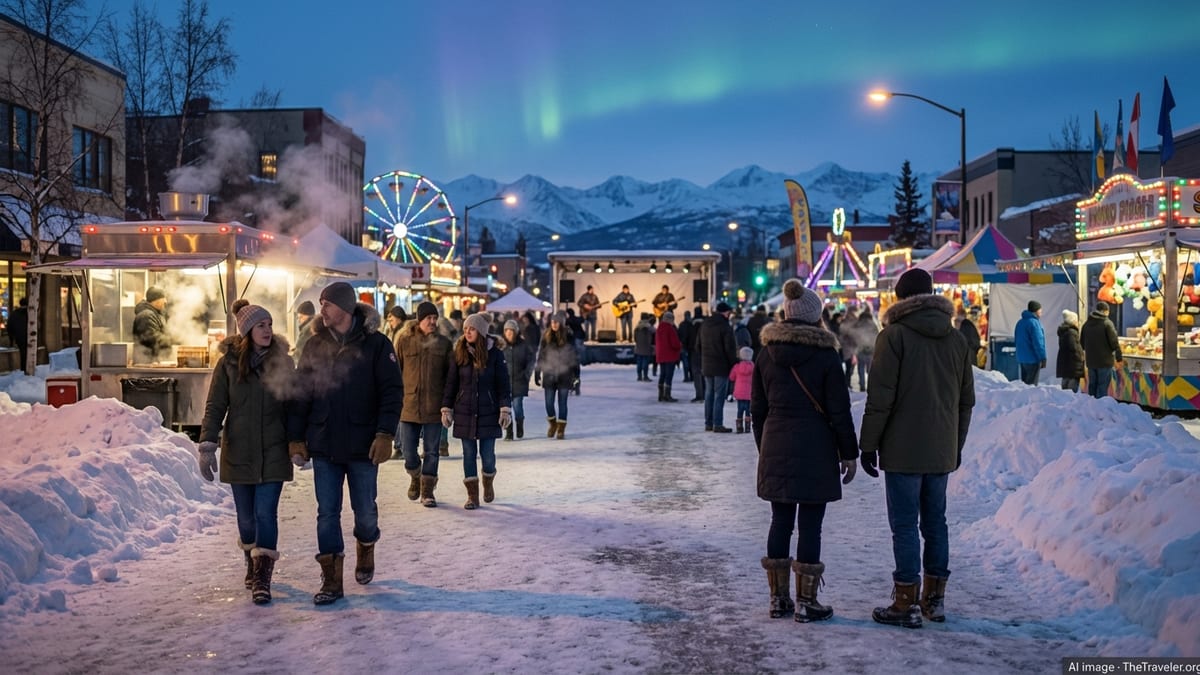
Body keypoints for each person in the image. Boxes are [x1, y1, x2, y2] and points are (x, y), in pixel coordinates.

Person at [859, 268, 975, 628]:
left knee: (906, 525)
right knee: (936, 523)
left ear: (899, 298)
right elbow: (965, 401)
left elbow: (881, 398)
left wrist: (868, 445)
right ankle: (934, 601)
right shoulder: (956, 340)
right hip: (940, 448)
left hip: (902, 449)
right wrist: (955, 444)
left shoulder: (893, 336)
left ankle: (905, 603)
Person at [289, 281, 403, 606]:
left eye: (327, 304)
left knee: (365, 511)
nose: (321, 309)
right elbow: (302, 394)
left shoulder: (377, 344)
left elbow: (392, 391)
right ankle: (331, 580)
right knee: (327, 513)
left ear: (345, 307)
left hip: (363, 443)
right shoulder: (314, 345)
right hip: (324, 442)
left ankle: (366, 548)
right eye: (321, 303)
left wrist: (385, 433)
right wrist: (296, 437)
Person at [753, 279, 859, 622]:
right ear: (817, 317)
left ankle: (778, 599)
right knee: (811, 526)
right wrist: (849, 452)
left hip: (776, 442)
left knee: (780, 520)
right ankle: (806, 601)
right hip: (817, 446)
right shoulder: (826, 356)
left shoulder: (765, 353)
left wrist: (765, 445)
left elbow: (757, 409)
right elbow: (839, 409)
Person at [197, 299, 297, 605]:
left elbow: (294, 407)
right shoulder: (228, 363)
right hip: (238, 449)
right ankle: (252, 565)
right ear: (247, 331)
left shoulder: (283, 362)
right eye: (260, 325)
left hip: (274, 450)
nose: (267, 330)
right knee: (246, 518)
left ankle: (262, 578)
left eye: (269, 324)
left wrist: (298, 443)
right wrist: (207, 445)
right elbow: (216, 405)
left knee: (265, 513)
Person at [440, 312, 512, 510]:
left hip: (489, 411)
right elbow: (451, 383)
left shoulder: (495, 355)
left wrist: (505, 409)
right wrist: (447, 408)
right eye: (465, 329)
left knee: (487, 456)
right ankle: (472, 496)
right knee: (468, 454)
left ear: (480, 331)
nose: (467, 332)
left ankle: (488, 482)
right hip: (465, 411)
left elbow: (503, 385)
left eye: (471, 329)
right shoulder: (460, 352)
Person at [394, 301, 453, 507]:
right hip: (409, 404)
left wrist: (447, 404)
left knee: (432, 451)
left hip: (434, 406)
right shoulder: (404, 340)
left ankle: (427, 490)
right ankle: (415, 475)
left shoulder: (444, 344)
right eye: (429, 318)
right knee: (408, 451)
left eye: (435, 318)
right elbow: (396, 372)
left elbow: (449, 377)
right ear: (419, 320)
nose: (433, 321)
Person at [534, 311, 579, 440]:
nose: (554, 324)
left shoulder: (569, 336)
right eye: (552, 322)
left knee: (562, 403)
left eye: (556, 322)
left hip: (565, 374)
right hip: (549, 374)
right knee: (549, 403)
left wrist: (576, 375)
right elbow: (541, 355)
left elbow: (574, 356)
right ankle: (553, 424)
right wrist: (537, 372)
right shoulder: (546, 336)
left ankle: (561, 429)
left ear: (561, 323)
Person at [697, 301, 738, 433]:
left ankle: (708, 423)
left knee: (708, 394)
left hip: (707, 365)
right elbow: (730, 348)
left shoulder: (705, 324)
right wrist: (734, 363)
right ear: (725, 313)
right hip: (721, 366)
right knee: (719, 395)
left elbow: (697, 345)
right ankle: (717, 423)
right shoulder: (725, 326)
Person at [1079, 301, 1123, 399]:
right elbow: (1114, 342)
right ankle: (1100, 410)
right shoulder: (1107, 323)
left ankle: (1091, 407)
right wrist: (1119, 357)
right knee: (1102, 387)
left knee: (1092, 386)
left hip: (1091, 362)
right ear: (1105, 311)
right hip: (1104, 361)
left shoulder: (1086, 324)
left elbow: (1081, 343)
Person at [502, 319, 535, 440]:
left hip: (519, 381)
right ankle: (509, 432)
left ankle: (519, 424)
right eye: (507, 331)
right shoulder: (502, 346)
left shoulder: (523, 345)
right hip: (504, 382)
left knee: (517, 406)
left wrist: (527, 374)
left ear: (516, 332)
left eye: (511, 331)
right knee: (506, 408)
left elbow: (531, 360)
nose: (509, 334)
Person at [132, 286, 171, 362]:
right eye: (164, 298)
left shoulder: (156, 314)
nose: (165, 301)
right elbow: (151, 338)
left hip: (153, 361)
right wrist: (173, 339)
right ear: (157, 300)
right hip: (146, 363)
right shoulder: (146, 316)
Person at [1014, 300, 1046, 386]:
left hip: (1022, 358)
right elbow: (1038, 342)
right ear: (1036, 311)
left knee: (1025, 385)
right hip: (1032, 359)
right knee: (1031, 386)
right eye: (1040, 311)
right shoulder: (1034, 323)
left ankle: (1023, 399)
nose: (1041, 313)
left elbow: (1016, 340)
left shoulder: (1020, 322)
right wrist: (1042, 357)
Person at [851, 306, 880, 392]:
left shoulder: (858, 325)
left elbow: (854, 337)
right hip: (871, 350)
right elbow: (877, 336)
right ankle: (871, 385)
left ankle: (862, 386)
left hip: (860, 350)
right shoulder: (873, 324)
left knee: (861, 369)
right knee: (870, 370)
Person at [655, 310, 682, 402]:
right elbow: (675, 344)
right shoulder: (670, 328)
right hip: (670, 356)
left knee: (662, 374)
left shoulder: (659, 328)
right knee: (669, 376)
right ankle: (667, 395)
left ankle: (660, 395)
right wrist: (680, 345)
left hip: (661, 355)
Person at [1056, 309, 1085, 393]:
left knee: (1066, 384)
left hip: (1066, 363)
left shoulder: (1064, 331)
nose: (1078, 322)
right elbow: (1074, 348)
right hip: (1073, 364)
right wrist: (1081, 357)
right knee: (1071, 390)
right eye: (1076, 320)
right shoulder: (1071, 332)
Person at [728, 346, 754, 433]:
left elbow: (731, 377)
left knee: (740, 409)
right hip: (749, 392)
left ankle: (739, 427)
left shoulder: (737, 367)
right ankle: (747, 427)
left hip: (739, 392)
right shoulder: (753, 367)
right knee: (748, 410)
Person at [688, 308, 706, 402]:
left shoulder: (691, 326)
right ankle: (705, 393)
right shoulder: (706, 326)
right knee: (704, 374)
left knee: (696, 374)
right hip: (705, 352)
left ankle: (699, 394)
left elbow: (688, 339)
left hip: (694, 352)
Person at [633, 313, 655, 382]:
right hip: (646, 347)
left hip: (639, 347)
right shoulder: (649, 327)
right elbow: (655, 331)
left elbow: (635, 338)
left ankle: (639, 376)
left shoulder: (637, 327)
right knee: (645, 362)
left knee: (639, 362)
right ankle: (645, 376)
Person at [8, 297, 28, 371]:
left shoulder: (14, 314)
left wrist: (11, 340)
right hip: (29, 337)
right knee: (28, 354)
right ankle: (27, 369)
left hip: (19, 337)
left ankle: (23, 369)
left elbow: (9, 326)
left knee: (23, 353)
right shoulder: (31, 313)